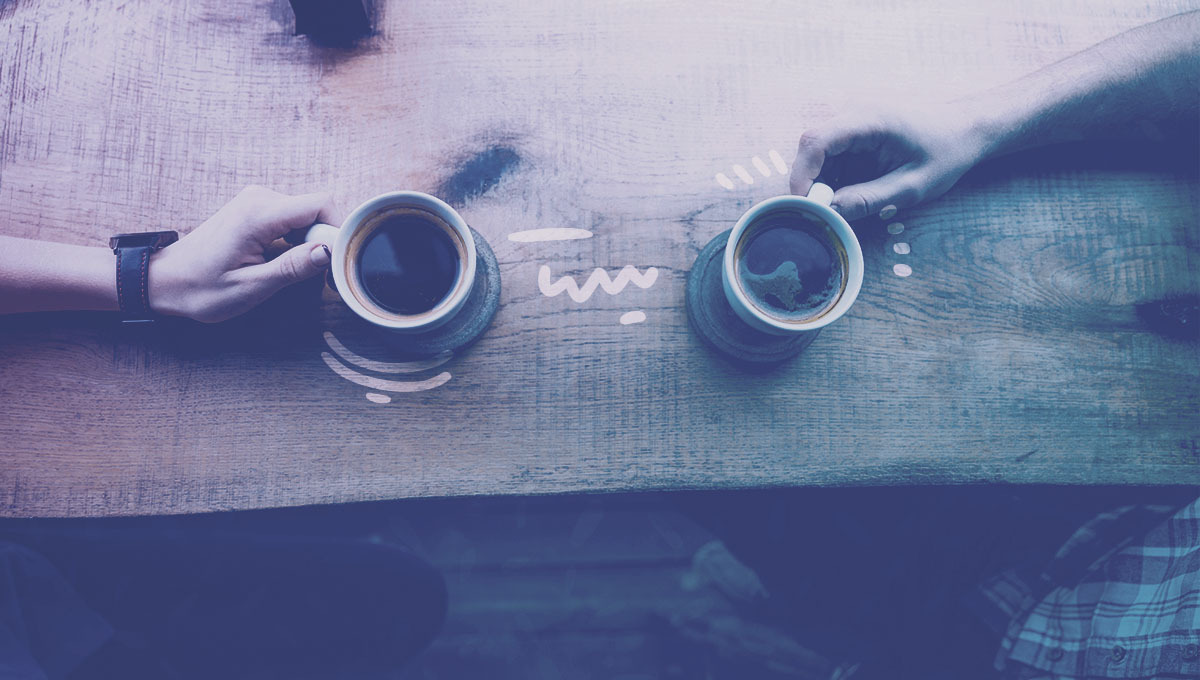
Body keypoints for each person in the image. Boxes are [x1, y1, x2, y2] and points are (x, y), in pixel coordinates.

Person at [777, 10, 1198, 680]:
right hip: (1078, 535)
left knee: (802, 560)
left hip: (975, 638)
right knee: (801, 538)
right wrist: (980, 124)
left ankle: (776, 608)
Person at [0, 187, 447, 678]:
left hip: (35, 595)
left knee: (396, 585)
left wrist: (157, 278)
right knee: (403, 592)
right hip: (61, 622)